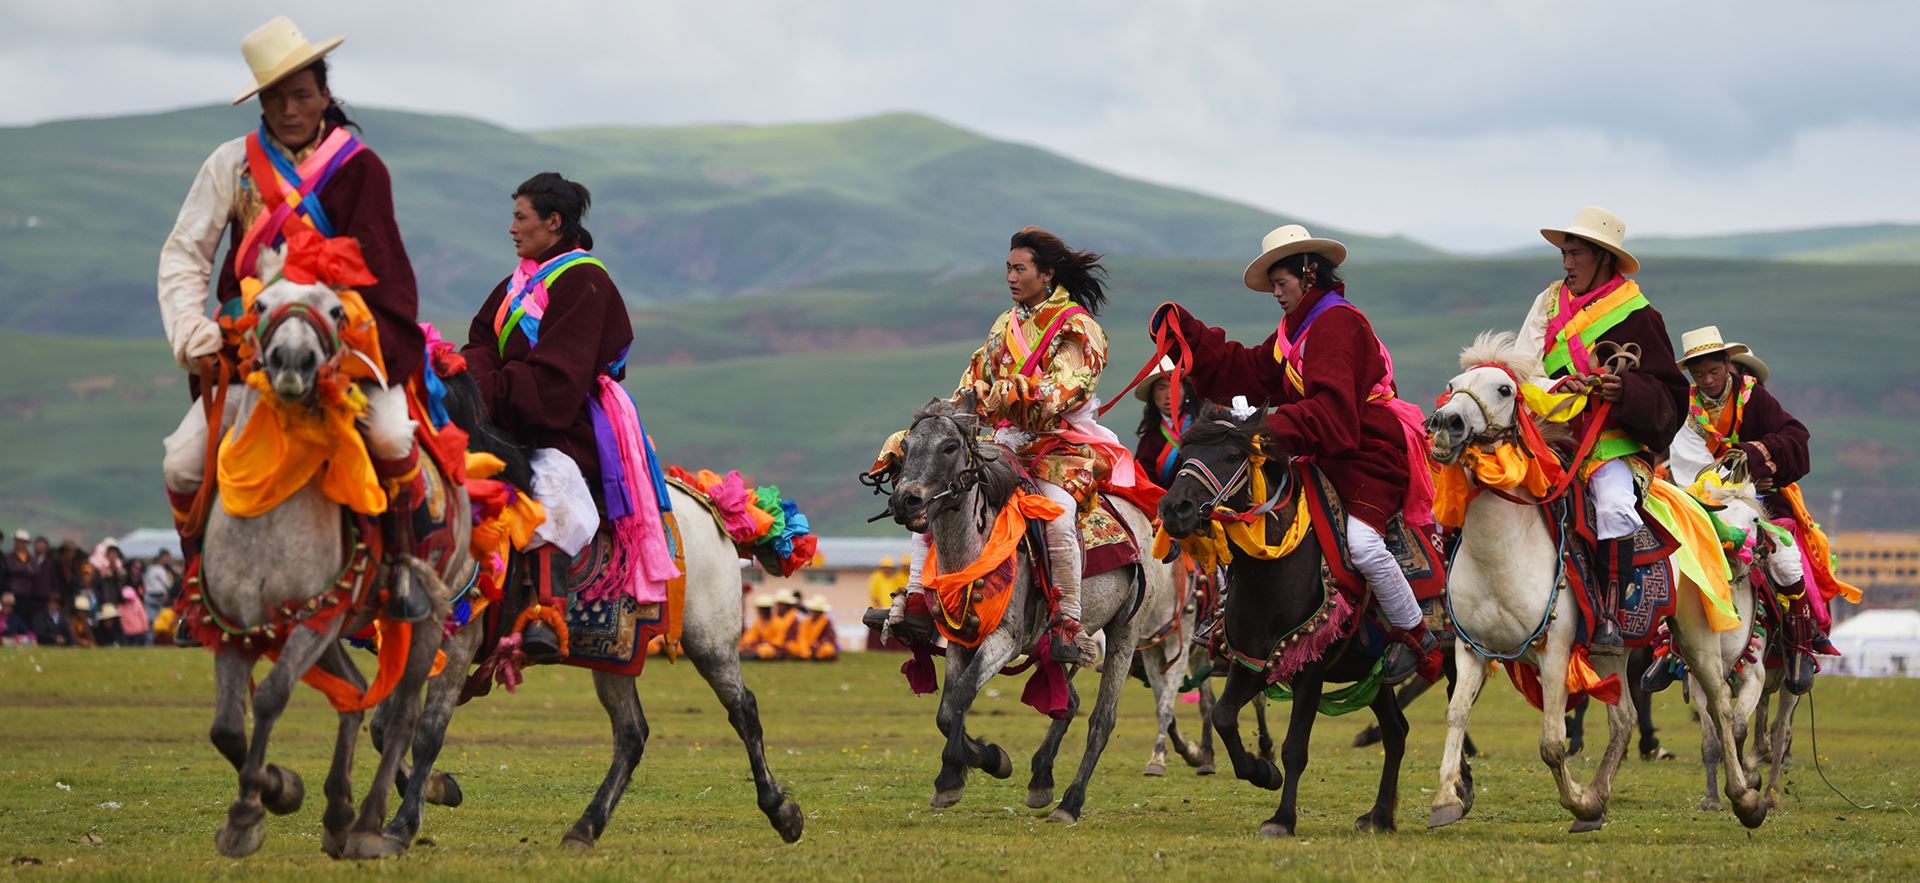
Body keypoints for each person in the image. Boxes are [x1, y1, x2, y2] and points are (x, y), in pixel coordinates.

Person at [158, 16, 427, 618]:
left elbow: (387, 272)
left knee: (389, 436)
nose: (289, 109)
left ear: (325, 95)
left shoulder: (361, 168)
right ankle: (197, 579)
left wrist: (363, 351)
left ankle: (401, 568)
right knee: (181, 461)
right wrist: (193, 334)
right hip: (250, 356)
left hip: (345, 350)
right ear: (261, 101)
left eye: (302, 94)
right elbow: (185, 254)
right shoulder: (230, 164)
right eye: (275, 98)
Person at [1151, 225, 1439, 685]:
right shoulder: (1295, 330)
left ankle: (1414, 631)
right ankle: (1241, 620)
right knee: (1259, 519)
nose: (1277, 295)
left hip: (1368, 447)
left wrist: (1263, 429)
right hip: (1324, 445)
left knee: (1363, 545)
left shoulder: (1338, 323)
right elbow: (1244, 370)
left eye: (1281, 284)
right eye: (1273, 288)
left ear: (1308, 273)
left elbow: (1333, 410)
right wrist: (1189, 334)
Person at [880, 227, 1125, 664]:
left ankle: (1067, 620)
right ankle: (918, 600)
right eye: (1007, 269)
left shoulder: (1079, 327)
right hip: (1000, 443)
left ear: (1047, 273)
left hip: (1056, 443)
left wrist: (1014, 393)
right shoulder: (1002, 327)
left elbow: (1067, 388)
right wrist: (930, 429)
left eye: (1019, 268)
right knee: (939, 498)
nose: (1010, 277)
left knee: (1056, 515)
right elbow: (970, 387)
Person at [462, 172, 676, 660]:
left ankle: (544, 610)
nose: (512, 229)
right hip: (502, 411)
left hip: (567, 420)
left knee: (552, 485)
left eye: (521, 218)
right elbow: (477, 342)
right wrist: (484, 383)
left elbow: (558, 378)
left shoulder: (585, 282)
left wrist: (490, 385)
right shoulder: (514, 283)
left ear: (553, 222)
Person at [1515, 207, 1688, 653]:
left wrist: (1623, 390)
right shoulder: (1547, 302)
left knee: (1614, 506)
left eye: (1575, 254)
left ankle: (1609, 616)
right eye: (1564, 255)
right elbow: (1521, 365)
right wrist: (1556, 387)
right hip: (1550, 435)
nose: (1566, 265)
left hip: (1610, 445)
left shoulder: (1639, 316)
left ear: (1603, 257)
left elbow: (1670, 393)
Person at [1656, 326, 1854, 694]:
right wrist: (1713, 486)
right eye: (1698, 375)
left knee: (1786, 557)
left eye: (1713, 372)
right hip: (1706, 503)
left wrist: (1754, 453)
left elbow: (1797, 437)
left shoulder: (1756, 401)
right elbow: (1687, 465)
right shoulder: (1687, 408)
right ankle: (1669, 647)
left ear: (1727, 365)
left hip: (1762, 499)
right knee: (1676, 558)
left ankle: (1798, 645)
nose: (1707, 380)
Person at [1132, 356, 1204, 490]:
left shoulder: (1202, 428)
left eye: (1175, 386)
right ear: (1152, 395)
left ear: (1185, 391)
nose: (1169, 395)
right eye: (1161, 388)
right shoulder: (1148, 441)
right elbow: (1143, 482)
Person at [789, 595, 840, 661]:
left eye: (816, 611)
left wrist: (817, 644)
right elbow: (801, 637)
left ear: (821, 612)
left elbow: (830, 638)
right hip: (805, 646)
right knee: (791, 646)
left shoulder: (826, 622)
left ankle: (814, 657)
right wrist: (805, 650)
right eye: (813, 610)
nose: (813, 612)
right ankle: (806, 656)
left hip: (818, 647)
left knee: (828, 650)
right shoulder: (805, 621)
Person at [143, 551, 177, 625]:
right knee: (159, 621)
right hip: (157, 596)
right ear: (160, 558)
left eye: (168, 557)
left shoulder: (169, 570)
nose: (167, 559)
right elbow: (168, 584)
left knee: (157, 621)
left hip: (156, 596)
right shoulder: (157, 569)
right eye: (165, 557)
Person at [740, 593, 778, 658]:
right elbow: (750, 635)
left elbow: (778, 641)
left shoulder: (777, 622)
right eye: (761, 608)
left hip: (769, 647)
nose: (761, 611)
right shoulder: (758, 622)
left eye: (764, 608)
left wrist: (762, 643)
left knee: (767, 650)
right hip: (757, 646)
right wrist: (747, 644)